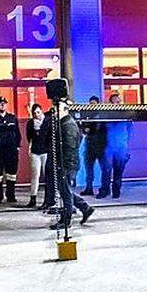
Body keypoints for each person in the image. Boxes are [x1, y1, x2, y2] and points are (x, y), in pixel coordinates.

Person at [49, 99, 95, 231]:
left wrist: (63, 165)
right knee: (65, 190)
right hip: (68, 163)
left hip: (67, 164)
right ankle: (85, 208)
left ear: (64, 110)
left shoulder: (68, 125)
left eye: (57, 109)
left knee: (65, 191)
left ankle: (66, 220)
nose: (54, 112)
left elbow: (69, 147)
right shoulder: (65, 123)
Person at [0, 97, 21, 204]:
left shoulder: (12, 118)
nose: (2, 105)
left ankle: (11, 195)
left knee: (11, 174)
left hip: (11, 150)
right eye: (0, 103)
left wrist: (17, 146)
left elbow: (17, 133)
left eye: (4, 103)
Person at [80, 96, 109, 197]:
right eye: (90, 104)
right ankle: (89, 188)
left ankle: (104, 189)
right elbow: (83, 128)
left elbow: (103, 130)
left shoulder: (103, 115)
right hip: (90, 145)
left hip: (101, 146)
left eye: (94, 103)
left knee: (105, 168)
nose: (92, 106)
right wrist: (85, 129)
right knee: (88, 168)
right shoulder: (87, 115)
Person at [106, 93, 132, 199]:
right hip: (109, 147)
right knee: (107, 170)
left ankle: (116, 192)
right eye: (116, 101)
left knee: (118, 171)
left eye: (119, 101)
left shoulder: (125, 116)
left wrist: (125, 143)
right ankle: (105, 190)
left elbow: (129, 130)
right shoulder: (107, 116)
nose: (119, 103)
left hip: (121, 147)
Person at [24, 103, 50, 209]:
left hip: (45, 151)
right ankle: (33, 198)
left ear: (42, 111)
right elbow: (29, 137)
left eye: (38, 112)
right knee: (35, 175)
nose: (36, 115)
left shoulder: (47, 121)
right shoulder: (30, 123)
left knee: (47, 175)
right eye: (34, 113)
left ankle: (47, 199)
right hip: (35, 151)